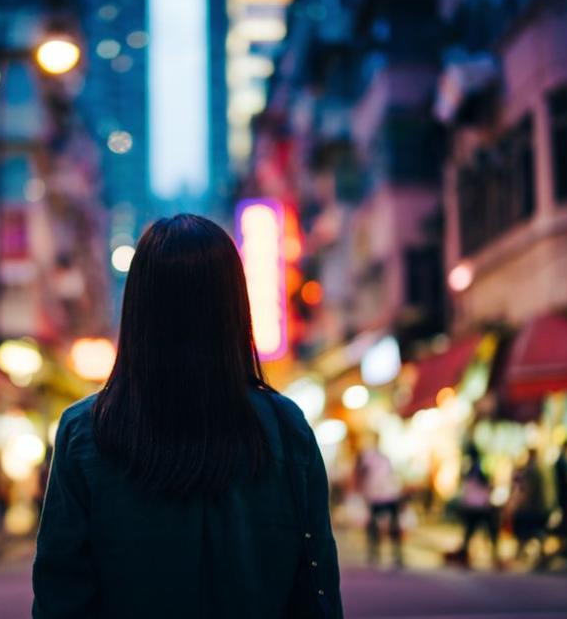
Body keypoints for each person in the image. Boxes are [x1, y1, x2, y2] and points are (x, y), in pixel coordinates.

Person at [32, 215, 343, 618]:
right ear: (234, 306)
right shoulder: (285, 427)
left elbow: (61, 595)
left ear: (138, 306)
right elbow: (315, 587)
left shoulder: (85, 430)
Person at [356, 442, 403, 566]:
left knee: (385, 526)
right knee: (378, 526)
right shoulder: (374, 457)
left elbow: (361, 474)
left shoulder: (376, 458)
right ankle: (380, 553)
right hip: (380, 495)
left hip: (383, 495)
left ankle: (387, 554)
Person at [454, 442, 499, 568]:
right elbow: (487, 483)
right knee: (488, 531)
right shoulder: (478, 467)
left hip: (471, 504)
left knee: (470, 532)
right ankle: (493, 556)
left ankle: (467, 556)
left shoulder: (468, 467)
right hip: (480, 505)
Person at [511, 448, 548, 566]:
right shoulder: (540, 470)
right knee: (535, 532)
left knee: (527, 532)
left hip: (531, 508)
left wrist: (520, 504)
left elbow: (527, 490)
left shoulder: (531, 471)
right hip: (538, 507)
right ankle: (536, 555)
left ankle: (521, 555)